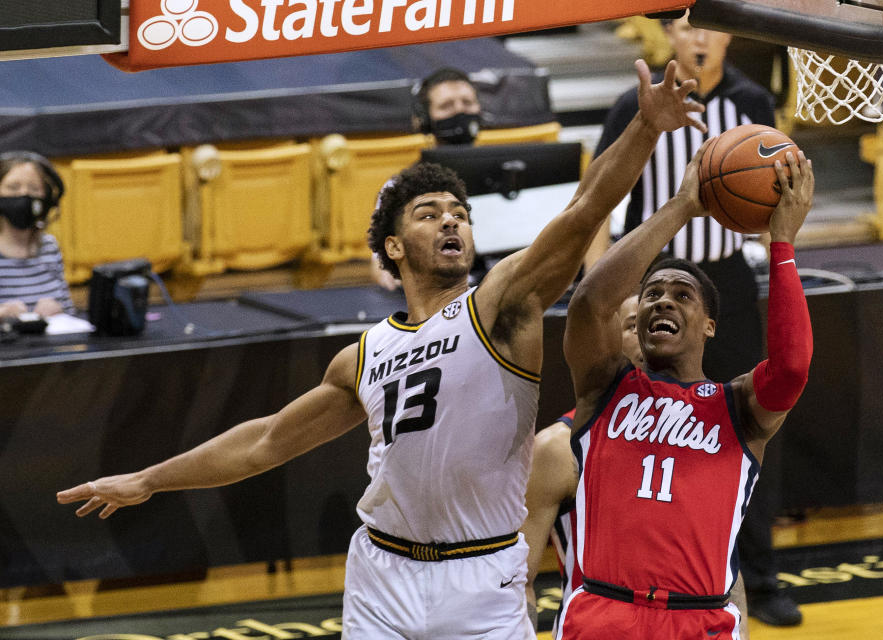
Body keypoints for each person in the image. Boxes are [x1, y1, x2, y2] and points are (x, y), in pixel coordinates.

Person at [58, 60, 707, 639]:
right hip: (381, 572)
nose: (451, 218)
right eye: (428, 212)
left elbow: (583, 211)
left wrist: (646, 131)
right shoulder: (362, 355)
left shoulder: (499, 307)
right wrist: (149, 479)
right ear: (393, 248)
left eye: (459, 211)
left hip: (480, 576)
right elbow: (264, 442)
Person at [593, 11, 803, 627]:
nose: (701, 37)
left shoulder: (752, 101)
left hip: (727, 286)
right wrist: (597, 283)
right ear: (672, 39)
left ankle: (760, 580)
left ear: (729, 37)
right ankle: (624, 562)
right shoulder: (635, 107)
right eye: (688, 28)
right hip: (654, 282)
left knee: (745, 430)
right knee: (640, 427)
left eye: (710, 27)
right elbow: (599, 196)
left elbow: (776, 192)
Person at [556, 142, 813, 639]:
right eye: (652, 293)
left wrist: (781, 242)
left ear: (710, 325)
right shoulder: (605, 387)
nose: (662, 302)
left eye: (682, 294)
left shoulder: (737, 406)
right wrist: (682, 207)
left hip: (700, 619)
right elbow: (589, 303)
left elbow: (792, 368)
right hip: (605, 613)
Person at [520, 295, 748, 639]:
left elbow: (726, 568)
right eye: (631, 324)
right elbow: (517, 579)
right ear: (608, 341)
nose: (649, 328)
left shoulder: (706, 436)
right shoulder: (559, 446)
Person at [371, 67, 484, 290]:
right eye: (447, 106)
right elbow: (380, 267)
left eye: (467, 103)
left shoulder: (512, 170)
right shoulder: (400, 187)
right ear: (424, 119)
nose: (460, 112)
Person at [0, 151, 75, 319]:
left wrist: (58, 309)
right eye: (13, 188)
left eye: (34, 189)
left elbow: (70, 311)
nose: (24, 195)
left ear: (46, 198)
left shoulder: (49, 247)